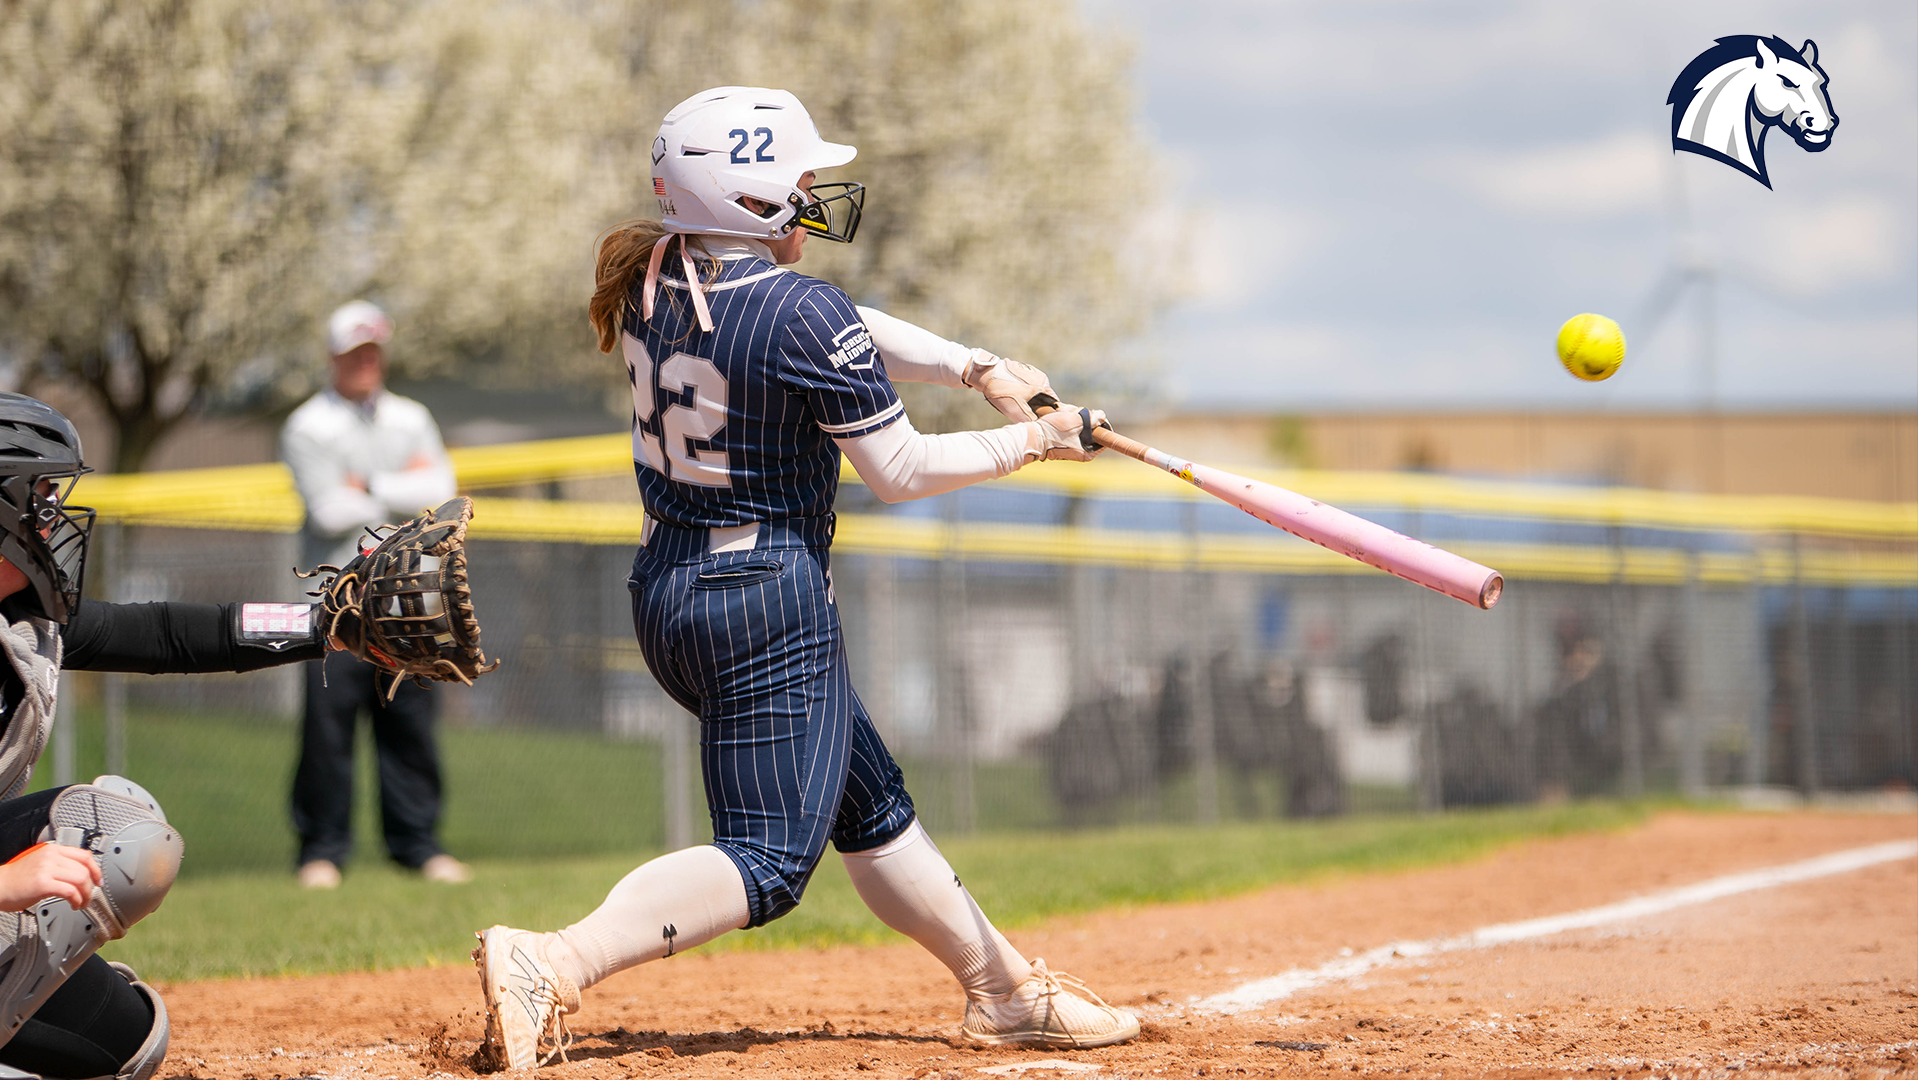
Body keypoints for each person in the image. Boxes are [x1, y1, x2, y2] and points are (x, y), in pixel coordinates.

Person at [473, 86, 1137, 1068]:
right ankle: (556, 962)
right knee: (771, 863)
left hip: (668, 592)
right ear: (745, 200)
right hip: (764, 601)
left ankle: (1002, 992)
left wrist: (975, 365)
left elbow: (833, 323)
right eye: (797, 180)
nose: (814, 194)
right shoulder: (794, 307)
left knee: (868, 804)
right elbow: (898, 469)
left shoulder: (656, 271)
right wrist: (1031, 439)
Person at [0, 392, 335, 1079]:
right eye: (37, 496)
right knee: (129, 844)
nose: (53, 517)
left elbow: (167, 632)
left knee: (130, 1040)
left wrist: (327, 625)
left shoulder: (20, 621)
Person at [280, 302, 468, 888]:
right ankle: (322, 852)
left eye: (373, 351)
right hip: (335, 597)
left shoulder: (410, 416)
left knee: (409, 722)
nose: (366, 363)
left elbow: (441, 491)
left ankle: (417, 846)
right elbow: (329, 508)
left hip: (405, 601)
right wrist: (401, 490)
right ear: (335, 357)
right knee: (329, 728)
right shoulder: (308, 424)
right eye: (355, 353)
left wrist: (369, 484)